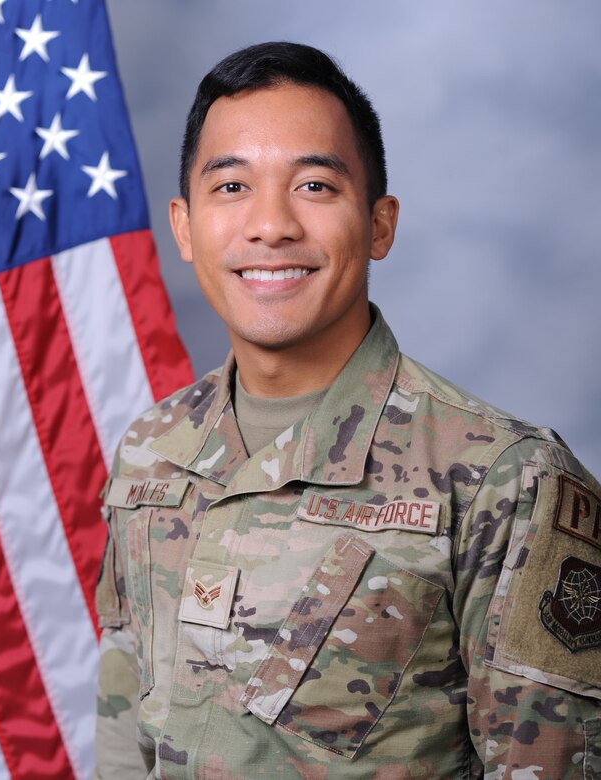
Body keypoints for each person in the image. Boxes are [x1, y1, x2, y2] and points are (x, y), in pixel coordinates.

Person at [94, 42, 601, 779]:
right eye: (231, 187)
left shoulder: (505, 478)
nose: (270, 225)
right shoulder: (151, 450)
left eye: (314, 186)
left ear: (379, 224)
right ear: (184, 227)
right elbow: (124, 726)